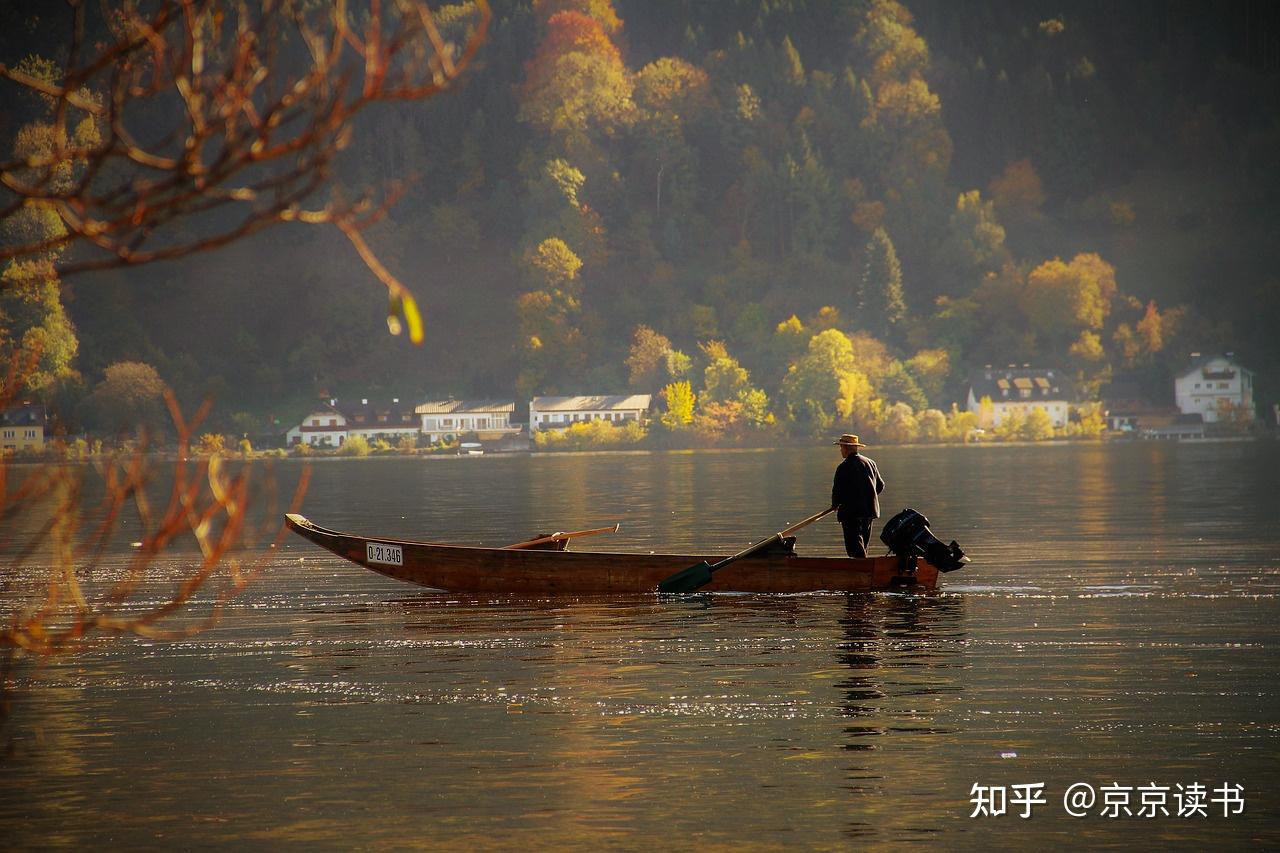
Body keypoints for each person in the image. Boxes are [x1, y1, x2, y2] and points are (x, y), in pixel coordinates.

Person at [830, 433, 884, 558]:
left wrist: (835, 505)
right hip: (869, 512)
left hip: (851, 514)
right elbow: (880, 486)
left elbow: (838, 491)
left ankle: (862, 571)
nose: (840, 450)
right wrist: (868, 497)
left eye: (841, 447)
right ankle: (866, 571)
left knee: (854, 548)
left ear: (846, 448)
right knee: (863, 545)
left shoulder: (843, 467)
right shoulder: (871, 463)